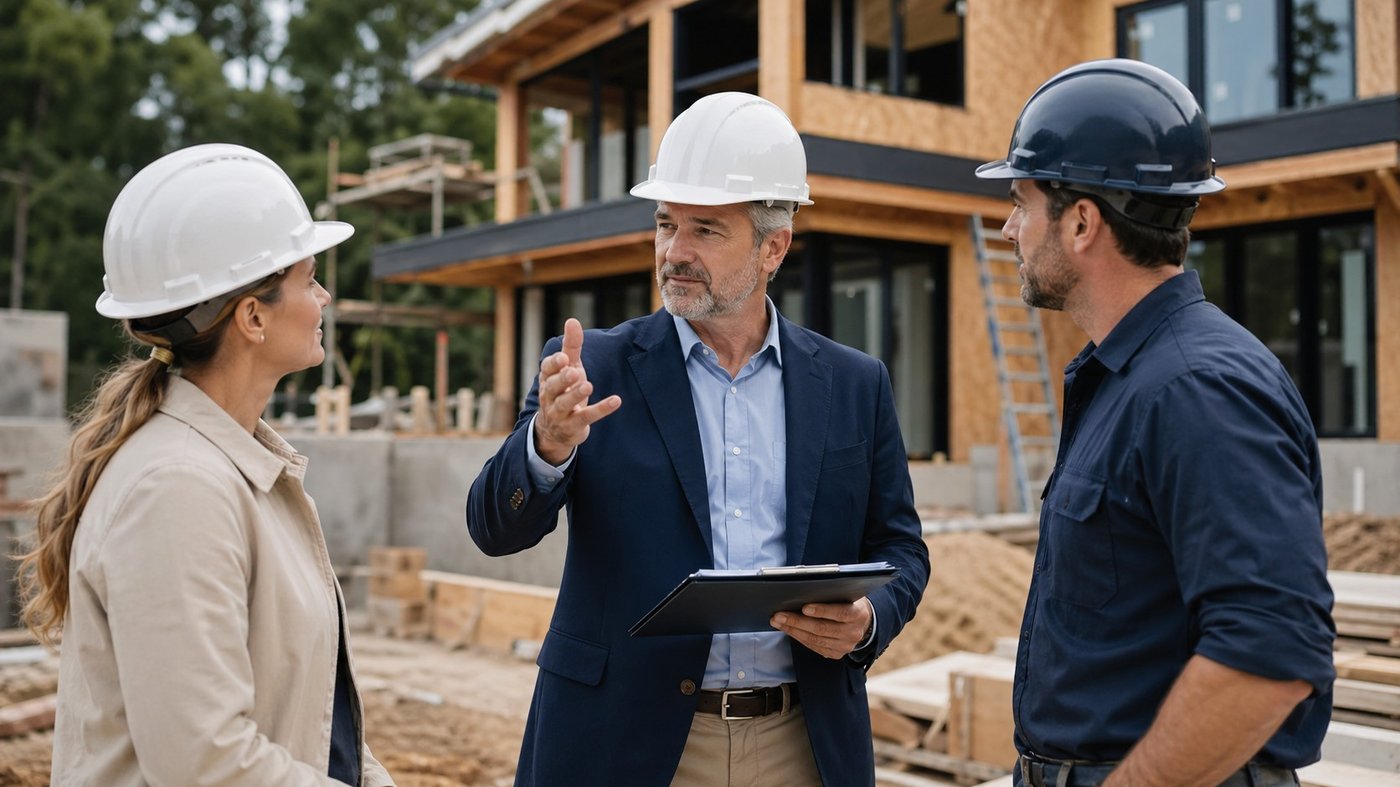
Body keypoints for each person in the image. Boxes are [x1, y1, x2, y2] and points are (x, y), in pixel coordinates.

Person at [467, 91, 929, 786]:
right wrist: (547, 445)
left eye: (706, 230)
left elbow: (902, 548)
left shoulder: (854, 383)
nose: (674, 252)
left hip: (802, 745)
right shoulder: (591, 369)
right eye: (666, 224)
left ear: (774, 247)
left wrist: (868, 619)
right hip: (625, 744)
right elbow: (494, 530)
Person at [975, 59, 1335, 787]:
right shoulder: (1131, 377)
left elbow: (1271, 653)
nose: (1010, 228)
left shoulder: (1198, 389)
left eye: (1021, 203)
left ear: (1082, 222)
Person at [17, 143, 395, 786]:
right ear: (252, 316)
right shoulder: (177, 490)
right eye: (309, 279)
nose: (325, 296)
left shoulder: (233, 466)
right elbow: (204, 762)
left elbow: (306, 719)